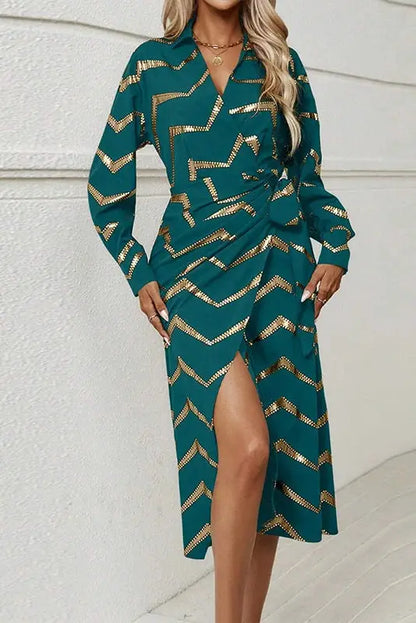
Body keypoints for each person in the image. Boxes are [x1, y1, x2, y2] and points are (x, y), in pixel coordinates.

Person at [87, 0, 355, 620]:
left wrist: (337, 246)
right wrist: (138, 271)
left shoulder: (280, 63)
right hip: (191, 276)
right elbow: (106, 189)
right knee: (249, 446)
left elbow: (308, 179)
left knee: (270, 460)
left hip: (277, 273)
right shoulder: (152, 66)